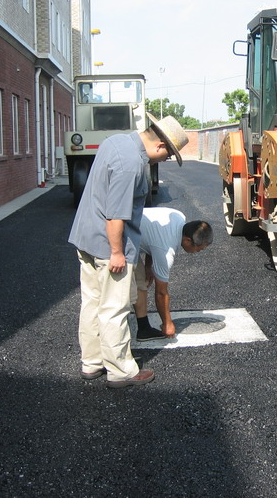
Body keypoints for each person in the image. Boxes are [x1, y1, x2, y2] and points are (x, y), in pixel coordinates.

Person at [68, 114, 188, 389]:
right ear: (160, 146)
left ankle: (92, 363)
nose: (166, 160)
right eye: (168, 155)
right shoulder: (131, 165)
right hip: (106, 245)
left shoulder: (116, 141)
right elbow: (115, 215)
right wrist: (117, 252)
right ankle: (121, 370)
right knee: (114, 308)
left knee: (92, 304)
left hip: (85, 237)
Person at [132, 208, 213, 340]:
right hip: (116, 237)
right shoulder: (166, 250)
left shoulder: (179, 216)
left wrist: (148, 266)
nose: (199, 251)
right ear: (187, 240)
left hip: (130, 227)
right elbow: (161, 292)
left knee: (141, 282)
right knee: (129, 289)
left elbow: (152, 234)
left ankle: (143, 329)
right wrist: (167, 323)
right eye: (198, 249)